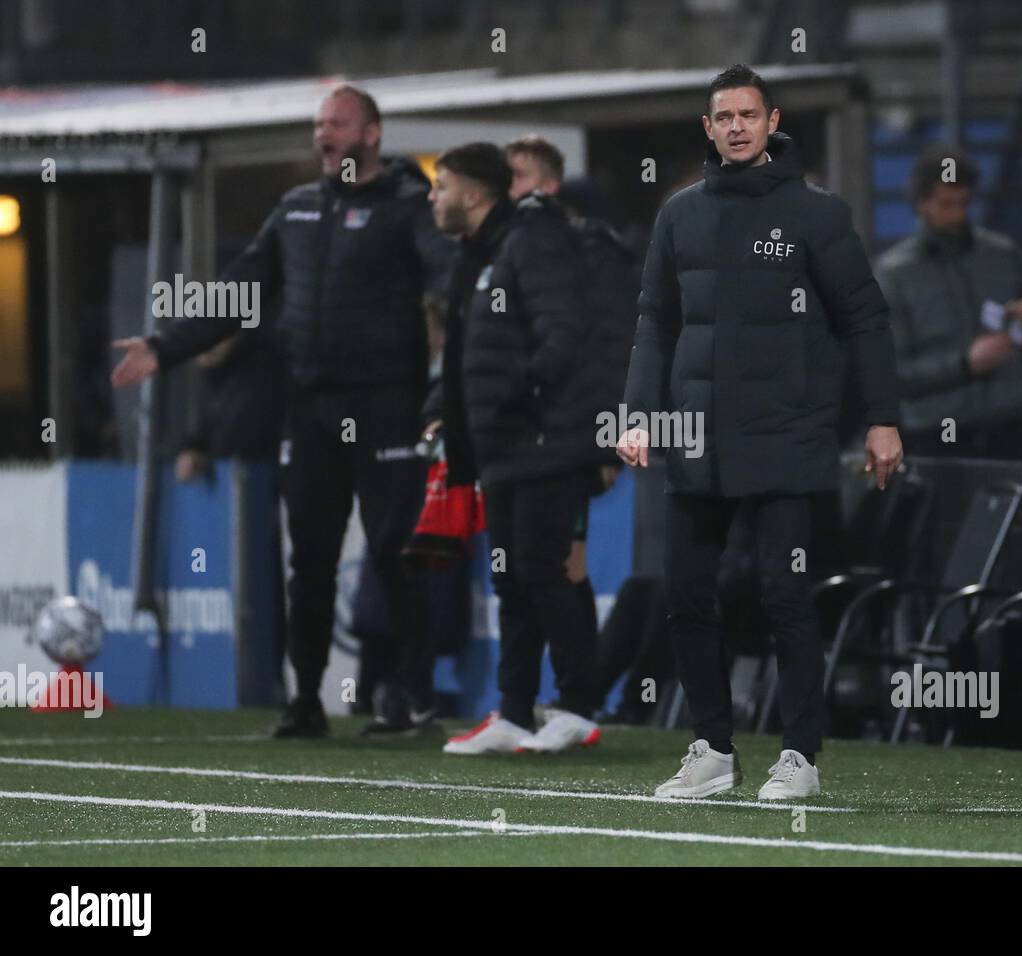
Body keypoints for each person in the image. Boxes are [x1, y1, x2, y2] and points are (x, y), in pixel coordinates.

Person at [111, 85, 455, 738]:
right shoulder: (296, 209)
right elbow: (239, 288)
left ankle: (417, 698)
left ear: (372, 135)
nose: (324, 134)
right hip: (312, 410)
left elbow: (452, 285)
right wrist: (164, 347)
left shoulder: (411, 208)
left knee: (396, 553)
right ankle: (305, 703)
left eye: (339, 123)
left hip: (387, 404)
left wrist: (454, 372)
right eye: (319, 123)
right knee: (310, 560)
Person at [618, 65, 903, 799]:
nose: (737, 126)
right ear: (708, 128)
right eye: (724, 116)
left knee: (786, 595)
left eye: (750, 114)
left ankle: (800, 758)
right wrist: (637, 408)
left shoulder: (817, 214)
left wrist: (882, 420)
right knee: (686, 594)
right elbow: (654, 318)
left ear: (772, 121)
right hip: (695, 434)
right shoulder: (679, 215)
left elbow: (866, 320)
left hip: (787, 434)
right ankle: (712, 749)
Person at [426, 142, 599, 754]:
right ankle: (515, 711)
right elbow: (467, 355)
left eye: (441, 185)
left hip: (544, 440)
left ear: (474, 194)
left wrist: (515, 395)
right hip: (500, 445)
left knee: (542, 572)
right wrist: (447, 416)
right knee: (510, 581)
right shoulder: (479, 254)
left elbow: (563, 333)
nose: (433, 196)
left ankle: (579, 705)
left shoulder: (531, 240)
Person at [504, 135, 637, 702]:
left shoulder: (590, 249)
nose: (506, 191)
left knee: (561, 566)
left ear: (548, 185)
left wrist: (605, 441)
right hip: (522, 438)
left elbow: (612, 344)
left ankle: (576, 700)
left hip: (567, 436)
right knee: (530, 570)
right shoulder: (507, 249)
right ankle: (530, 704)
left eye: (516, 178)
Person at [875, 144, 1022, 460]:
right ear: (921, 204)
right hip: (936, 434)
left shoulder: (1005, 257)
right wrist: (964, 364)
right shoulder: (893, 276)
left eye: (964, 203)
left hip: (1012, 426)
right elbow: (890, 374)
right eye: (946, 204)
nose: (957, 215)